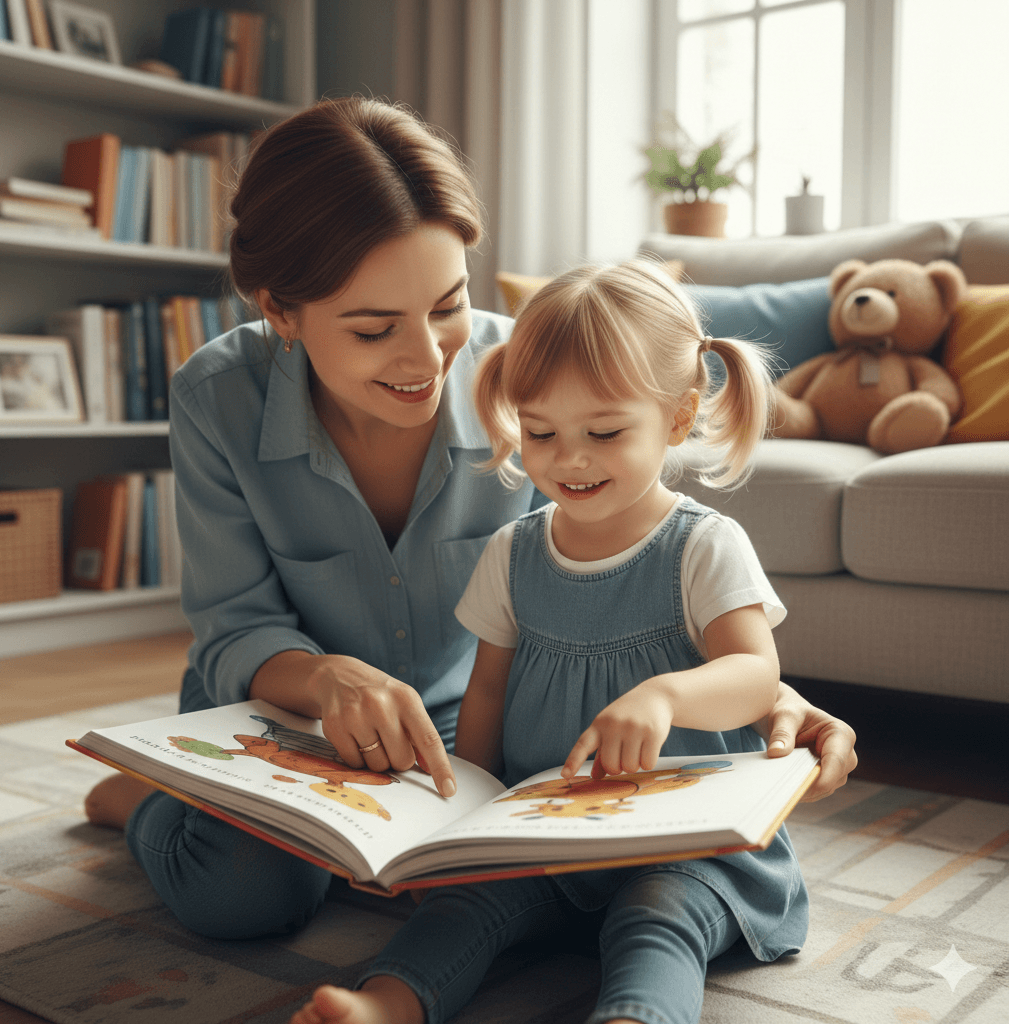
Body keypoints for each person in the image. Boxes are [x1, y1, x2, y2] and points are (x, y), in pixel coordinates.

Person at [84, 96, 856, 946]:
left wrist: (773, 695)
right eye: (375, 329)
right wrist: (327, 679)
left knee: (580, 873)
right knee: (246, 898)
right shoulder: (215, 396)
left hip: (461, 725)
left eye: (447, 305)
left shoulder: (524, 382)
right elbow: (234, 627)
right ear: (281, 310)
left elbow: (599, 577)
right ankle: (146, 803)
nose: (427, 360)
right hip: (281, 714)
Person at [291, 258, 813, 1024]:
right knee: (461, 909)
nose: (568, 458)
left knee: (657, 921)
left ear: (676, 417)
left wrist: (665, 696)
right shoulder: (514, 552)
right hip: (548, 835)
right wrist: (460, 813)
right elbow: (490, 689)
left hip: (690, 846)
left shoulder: (703, 546)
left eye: (603, 432)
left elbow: (756, 675)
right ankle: (387, 1008)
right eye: (541, 432)